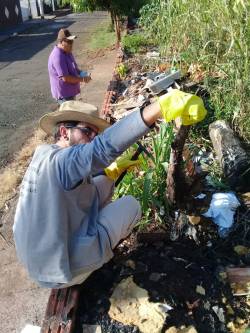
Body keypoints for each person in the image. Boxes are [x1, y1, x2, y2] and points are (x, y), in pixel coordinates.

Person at [13, 91, 207, 288]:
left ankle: (90, 248)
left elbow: (78, 189)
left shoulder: (43, 158)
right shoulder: (63, 162)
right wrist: (158, 108)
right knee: (131, 205)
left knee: (104, 181)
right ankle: (95, 260)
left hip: (41, 264)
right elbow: (101, 148)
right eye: (87, 131)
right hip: (63, 273)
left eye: (95, 134)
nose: (91, 139)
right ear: (64, 132)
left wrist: (111, 172)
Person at [48, 28, 91, 105]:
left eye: (71, 41)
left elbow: (74, 68)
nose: (71, 44)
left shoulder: (67, 52)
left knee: (72, 114)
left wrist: (82, 73)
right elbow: (66, 78)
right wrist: (83, 79)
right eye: (68, 42)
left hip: (70, 92)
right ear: (61, 42)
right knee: (69, 115)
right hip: (64, 95)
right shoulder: (58, 56)